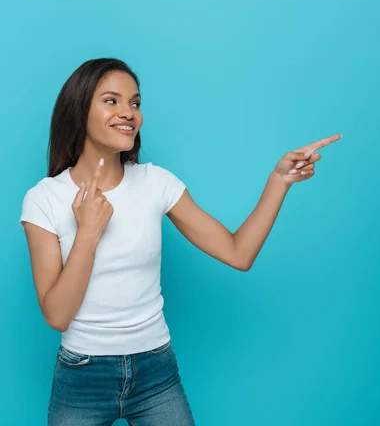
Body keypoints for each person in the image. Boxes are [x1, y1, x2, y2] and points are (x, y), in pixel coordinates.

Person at [20, 57, 342, 426]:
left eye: (135, 103)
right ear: (79, 111)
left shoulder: (156, 183)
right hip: (82, 375)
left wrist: (278, 182)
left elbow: (239, 253)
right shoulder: (45, 199)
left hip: (155, 370)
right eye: (112, 100)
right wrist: (89, 233)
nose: (128, 113)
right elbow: (57, 315)